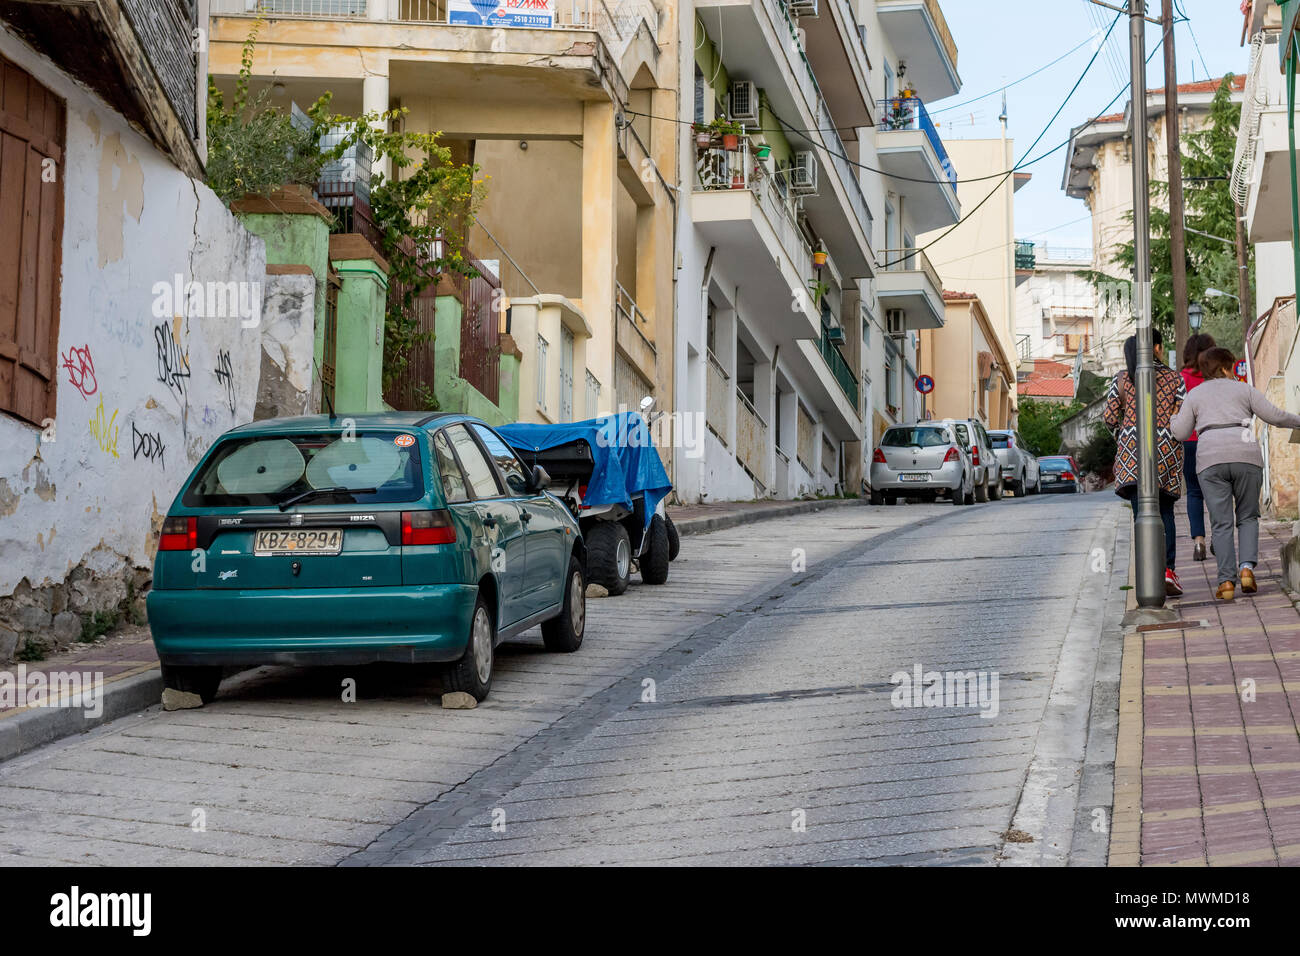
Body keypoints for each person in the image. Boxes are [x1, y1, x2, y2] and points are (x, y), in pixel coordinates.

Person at [1172, 347, 1300, 601]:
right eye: (1230, 367)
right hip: (1245, 455)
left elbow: (1180, 433)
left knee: (1221, 522)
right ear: (1223, 368)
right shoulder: (1244, 390)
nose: (1233, 371)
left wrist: (1175, 415)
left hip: (1210, 459)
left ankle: (1226, 582)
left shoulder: (1194, 395)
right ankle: (1247, 569)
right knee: (1248, 517)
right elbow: (1274, 416)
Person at [1103, 329, 1186, 595]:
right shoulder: (1175, 378)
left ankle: (1147, 573)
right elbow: (1181, 415)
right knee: (1165, 512)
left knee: (1142, 515)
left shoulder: (1122, 378)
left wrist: (1124, 433)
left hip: (1132, 454)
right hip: (1166, 451)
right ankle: (1168, 570)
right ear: (1158, 349)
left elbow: (1109, 416)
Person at [1180, 333, 1216, 561]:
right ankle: (1217, 539)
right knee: (1216, 491)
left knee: (1194, 492)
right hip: (1212, 440)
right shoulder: (1214, 379)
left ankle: (1199, 542)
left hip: (1189, 443)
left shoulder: (1180, 379)